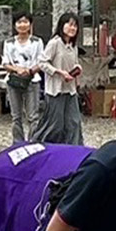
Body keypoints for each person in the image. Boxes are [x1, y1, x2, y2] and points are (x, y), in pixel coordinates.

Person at [34, 11, 84, 145]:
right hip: (55, 90)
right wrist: (59, 72)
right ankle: (41, 145)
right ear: (62, 25)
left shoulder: (73, 46)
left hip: (70, 89)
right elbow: (42, 63)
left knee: (74, 122)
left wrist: (77, 69)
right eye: (69, 24)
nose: (72, 28)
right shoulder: (54, 43)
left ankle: (74, 150)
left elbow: (74, 62)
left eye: (75, 26)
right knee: (55, 124)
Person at [0, 12, 46, 144]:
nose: (22, 25)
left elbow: (42, 62)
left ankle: (33, 142)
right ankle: (17, 143)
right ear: (15, 25)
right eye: (19, 22)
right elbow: (5, 63)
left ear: (30, 24)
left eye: (25, 22)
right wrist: (17, 69)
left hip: (32, 80)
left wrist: (30, 70)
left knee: (33, 116)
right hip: (13, 80)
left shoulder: (37, 42)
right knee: (16, 116)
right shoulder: (9, 43)